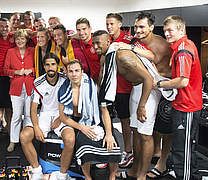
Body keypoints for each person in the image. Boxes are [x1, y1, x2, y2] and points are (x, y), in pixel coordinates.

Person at [92, 30, 161, 180]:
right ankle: (134, 170)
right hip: (137, 88)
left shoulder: (122, 56)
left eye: (98, 43)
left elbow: (149, 79)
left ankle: (142, 175)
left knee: (145, 135)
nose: (95, 47)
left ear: (108, 42)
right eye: (93, 43)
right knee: (135, 131)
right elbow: (102, 78)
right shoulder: (106, 57)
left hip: (148, 89)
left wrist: (142, 105)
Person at [153, 15, 202, 180]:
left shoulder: (182, 51)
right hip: (182, 105)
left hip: (187, 106)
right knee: (182, 146)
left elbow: (182, 81)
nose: (167, 34)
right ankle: (185, 173)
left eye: (170, 30)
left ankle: (186, 176)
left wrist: (159, 84)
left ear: (181, 30)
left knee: (184, 148)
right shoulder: (183, 45)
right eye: (165, 30)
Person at [57, 60, 120, 180]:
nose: (74, 74)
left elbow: (104, 110)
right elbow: (63, 117)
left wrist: (109, 133)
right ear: (67, 73)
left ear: (82, 72)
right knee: (84, 147)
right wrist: (82, 128)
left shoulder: (93, 86)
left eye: (77, 71)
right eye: (71, 71)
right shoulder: (63, 90)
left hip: (95, 118)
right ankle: (88, 177)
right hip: (76, 122)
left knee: (113, 145)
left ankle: (112, 176)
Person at [20, 53, 67, 180]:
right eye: (47, 65)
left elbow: (70, 103)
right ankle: (37, 170)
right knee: (24, 136)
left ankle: (64, 173)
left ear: (57, 65)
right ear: (44, 66)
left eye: (53, 64)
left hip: (62, 114)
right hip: (45, 114)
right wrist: (36, 127)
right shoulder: (38, 82)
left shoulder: (65, 79)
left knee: (70, 138)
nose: (50, 67)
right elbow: (33, 108)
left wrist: (60, 118)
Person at [105, 13, 134, 168]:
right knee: (107, 119)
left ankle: (128, 151)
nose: (109, 27)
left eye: (112, 24)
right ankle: (109, 151)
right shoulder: (107, 39)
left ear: (119, 24)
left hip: (124, 87)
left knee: (125, 121)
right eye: (107, 24)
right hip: (109, 87)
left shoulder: (128, 40)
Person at [3, 29, 35, 152]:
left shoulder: (32, 51)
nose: (20, 41)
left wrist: (31, 69)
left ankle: (27, 139)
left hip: (30, 87)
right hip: (15, 88)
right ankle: (13, 140)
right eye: (17, 39)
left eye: (22, 38)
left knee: (28, 115)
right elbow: (5, 70)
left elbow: (38, 67)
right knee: (16, 115)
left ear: (26, 40)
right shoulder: (10, 52)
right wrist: (16, 72)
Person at [0, 18, 15, 142]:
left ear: (10, 27)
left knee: (9, 107)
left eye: (7, 26)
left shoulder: (14, 37)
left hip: (10, 76)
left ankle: (10, 131)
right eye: (2, 26)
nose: (4, 28)